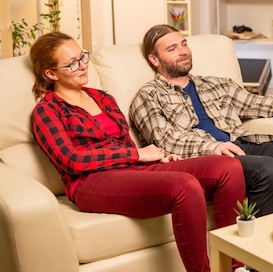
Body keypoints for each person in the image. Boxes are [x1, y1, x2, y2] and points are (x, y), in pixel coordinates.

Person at [30, 31, 246, 272]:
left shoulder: (103, 98)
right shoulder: (47, 111)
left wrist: (159, 158)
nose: (82, 66)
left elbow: (125, 144)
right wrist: (138, 155)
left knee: (228, 167)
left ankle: (234, 267)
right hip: (90, 182)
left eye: (82, 57)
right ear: (50, 73)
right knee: (185, 185)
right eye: (72, 63)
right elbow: (72, 160)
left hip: (133, 170)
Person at [129, 24, 273, 216]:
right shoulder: (148, 96)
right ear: (154, 59)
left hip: (241, 146)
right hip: (205, 160)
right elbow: (165, 141)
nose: (183, 51)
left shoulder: (215, 84)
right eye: (172, 48)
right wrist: (213, 146)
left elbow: (259, 104)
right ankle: (256, 259)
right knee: (266, 168)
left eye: (184, 44)